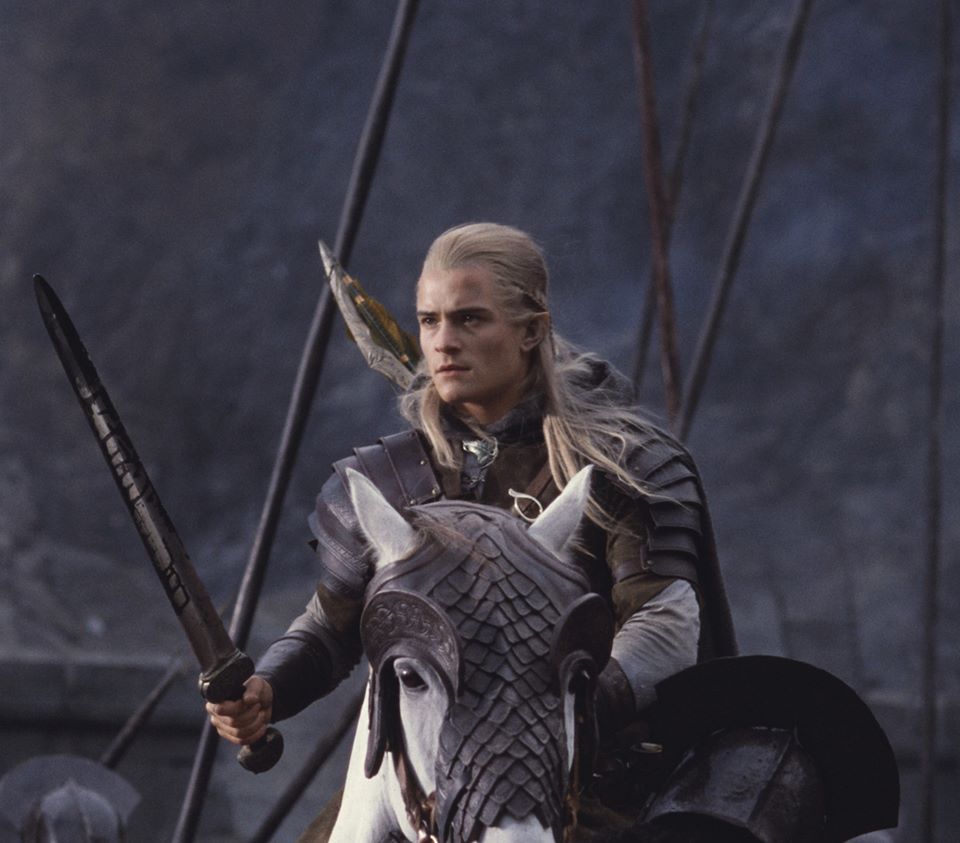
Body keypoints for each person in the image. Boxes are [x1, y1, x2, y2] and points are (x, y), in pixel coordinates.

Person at [207, 221, 734, 766]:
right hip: (435, 775)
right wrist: (268, 689)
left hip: (603, 768)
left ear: (531, 331)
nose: (443, 342)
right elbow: (329, 630)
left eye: (470, 319)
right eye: (429, 321)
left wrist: (561, 717)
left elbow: (663, 628)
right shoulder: (391, 480)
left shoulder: (622, 467)